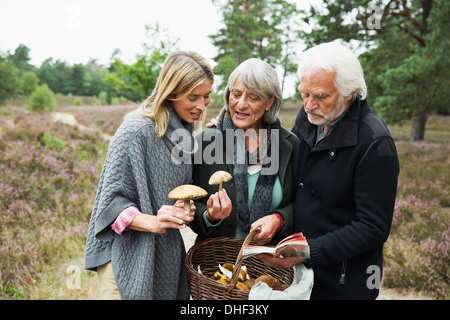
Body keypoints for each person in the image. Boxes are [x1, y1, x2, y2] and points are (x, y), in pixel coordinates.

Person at [257, 41, 400, 300]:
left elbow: (373, 227)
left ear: (349, 93)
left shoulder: (376, 143)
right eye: (304, 93)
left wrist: (310, 250)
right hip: (299, 275)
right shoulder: (309, 117)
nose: (309, 104)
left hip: (343, 283)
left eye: (321, 96)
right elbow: (293, 177)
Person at [84, 51, 214, 300]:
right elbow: (108, 208)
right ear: (172, 91)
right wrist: (154, 221)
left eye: (207, 96)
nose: (201, 105)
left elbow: (173, 192)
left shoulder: (184, 136)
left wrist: (183, 209)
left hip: (165, 253)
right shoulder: (136, 131)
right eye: (193, 97)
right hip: (124, 258)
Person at [189, 58, 299, 245]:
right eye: (236, 94)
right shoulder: (206, 141)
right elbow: (189, 203)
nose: (241, 104)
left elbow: (301, 204)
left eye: (253, 97)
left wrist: (279, 220)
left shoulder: (289, 144)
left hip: (268, 264)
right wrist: (209, 216)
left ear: (269, 102)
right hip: (215, 262)